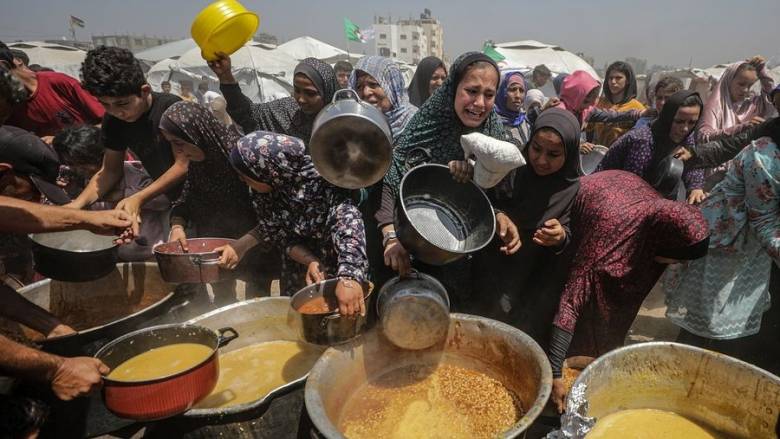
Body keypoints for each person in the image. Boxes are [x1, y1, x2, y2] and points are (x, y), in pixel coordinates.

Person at [548, 170, 709, 412]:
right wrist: (555, 372)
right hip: (582, 220)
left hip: (621, 204)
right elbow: (570, 301)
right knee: (582, 293)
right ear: (663, 241)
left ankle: (599, 359)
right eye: (677, 258)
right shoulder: (607, 239)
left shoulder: (658, 219)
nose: (678, 264)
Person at [377, 52, 509, 308]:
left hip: (462, 256)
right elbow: (391, 177)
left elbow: (500, 190)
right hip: (408, 252)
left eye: (489, 95)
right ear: (452, 89)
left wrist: (477, 172)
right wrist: (390, 237)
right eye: (471, 91)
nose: (479, 103)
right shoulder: (427, 124)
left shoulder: (494, 135)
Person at [665, 131, 780, 375]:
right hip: (728, 240)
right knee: (710, 318)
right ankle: (680, 380)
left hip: (755, 246)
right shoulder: (765, 157)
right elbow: (764, 219)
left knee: (734, 326)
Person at [221, 131, 368, 317]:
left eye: (247, 176)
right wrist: (310, 260)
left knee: (340, 319)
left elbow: (349, 223)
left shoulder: (324, 181)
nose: (243, 181)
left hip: (339, 264)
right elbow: (280, 235)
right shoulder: (265, 193)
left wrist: (349, 278)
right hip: (298, 269)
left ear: (270, 170)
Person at [473, 108, 582, 344]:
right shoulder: (510, 170)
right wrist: (498, 214)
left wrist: (561, 237)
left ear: (570, 153)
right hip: (491, 272)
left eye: (553, 154)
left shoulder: (575, 191)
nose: (541, 160)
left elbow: (576, 242)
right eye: (536, 149)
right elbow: (481, 202)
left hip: (534, 284)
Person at [159, 101, 273, 302]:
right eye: (171, 143)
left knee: (257, 298)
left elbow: (273, 212)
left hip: (253, 242)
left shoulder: (240, 155)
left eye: (179, 142)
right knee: (223, 299)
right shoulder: (197, 162)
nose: (178, 151)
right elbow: (187, 196)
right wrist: (177, 226)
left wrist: (243, 244)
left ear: (198, 133)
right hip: (215, 243)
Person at [68, 46, 185, 234]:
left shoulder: (171, 109)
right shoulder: (113, 121)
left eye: (122, 103)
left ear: (144, 91)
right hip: (168, 198)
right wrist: (76, 206)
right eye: (105, 104)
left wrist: (138, 198)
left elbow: (182, 166)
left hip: (197, 197)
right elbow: (110, 170)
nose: (116, 112)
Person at [53, 125, 171, 261]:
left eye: (82, 164)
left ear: (102, 157)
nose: (79, 170)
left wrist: (125, 195)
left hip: (152, 253)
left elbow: (163, 201)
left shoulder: (133, 174)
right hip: (121, 253)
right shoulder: (86, 184)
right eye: (74, 165)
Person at [596, 90, 707, 204]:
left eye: (692, 122)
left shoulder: (687, 136)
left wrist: (695, 188)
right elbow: (632, 186)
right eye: (679, 121)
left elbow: (691, 163)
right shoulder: (643, 140)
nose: (685, 128)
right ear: (668, 118)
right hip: (610, 193)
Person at [208, 54, 336, 147]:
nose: (301, 99)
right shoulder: (286, 111)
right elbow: (248, 114)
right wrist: (225, 76)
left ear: (327, 92)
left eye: (310, 93)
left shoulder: (343, 121)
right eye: (297, 91)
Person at [0, 41, 104, 141]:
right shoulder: (8, 107)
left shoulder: (58, 83)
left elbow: (110, 123)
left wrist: (60, 140)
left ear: (4, 66)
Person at [552, 70, 652, 150]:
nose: (589, 106)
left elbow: (610, 116)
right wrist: (578, 145)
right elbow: (555, 138)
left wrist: (638, 113)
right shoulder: (559, 112)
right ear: (575, 96)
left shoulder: (585, 111)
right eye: (586, 102)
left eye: (592, 101)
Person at [698, 56, 775, 143]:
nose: (746, 90)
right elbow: (704, 137)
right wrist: (741, 128)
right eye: (741, 84)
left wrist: (762, 72)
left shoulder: (751, 105)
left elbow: (772, 98)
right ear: (729, 80)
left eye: (750, 86)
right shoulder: (715, 106)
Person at [349, 56, 418, 142]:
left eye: (373, 84)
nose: (366, 92)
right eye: (359, 87)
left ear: (392, 87)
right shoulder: (354, 124)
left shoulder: (415, 123)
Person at [589, 61, 646, 147]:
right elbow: (588, 130)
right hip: (599, 155)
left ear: (627, 81)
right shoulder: (599, 103)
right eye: (610, 78)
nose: (613, 81)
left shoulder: (637, 108)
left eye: (618, 78)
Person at [494, 70, 532, 145]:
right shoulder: (492, 121)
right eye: (513, 89)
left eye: (521, 90)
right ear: (503, 92)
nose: (517, 95)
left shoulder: (524, 119)